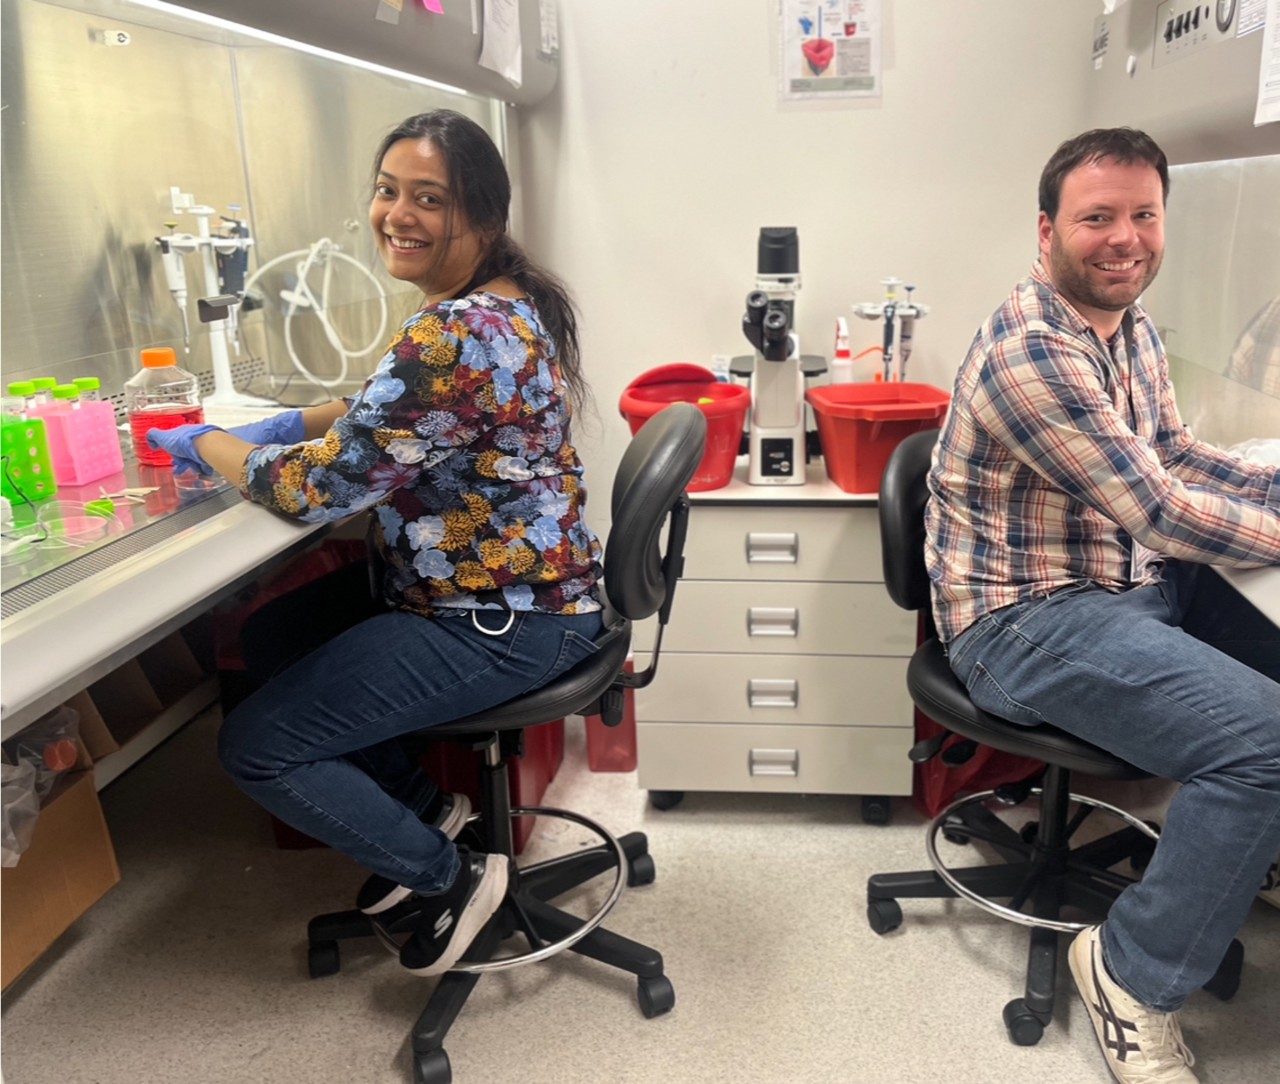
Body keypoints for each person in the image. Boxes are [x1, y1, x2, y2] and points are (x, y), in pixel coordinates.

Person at [148, 109, 604, 978]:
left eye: (429, 198)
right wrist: (285, 420)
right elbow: (382, 406)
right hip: (511, 589)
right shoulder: (502, 304)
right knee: (277, 637)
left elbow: (320, 489)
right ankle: (426, 811)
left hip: (495, 616)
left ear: (484, 216)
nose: (398, 213)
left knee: (257, 746)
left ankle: (447, 878)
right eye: (389, 190)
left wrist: (209, 441)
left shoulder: (455, 331)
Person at [926, 127, 1280, 1083]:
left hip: (1125, 583)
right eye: (1096, 218)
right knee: (1265, 740)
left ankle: (1250, 844)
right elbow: (1160, 510)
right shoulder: (1033, 351)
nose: (1124, 238)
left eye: (1142, 215)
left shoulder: (1131, 327)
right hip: (1024, 620)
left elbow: (1176, 454)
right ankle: (1132, 974)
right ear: (1046, 231)